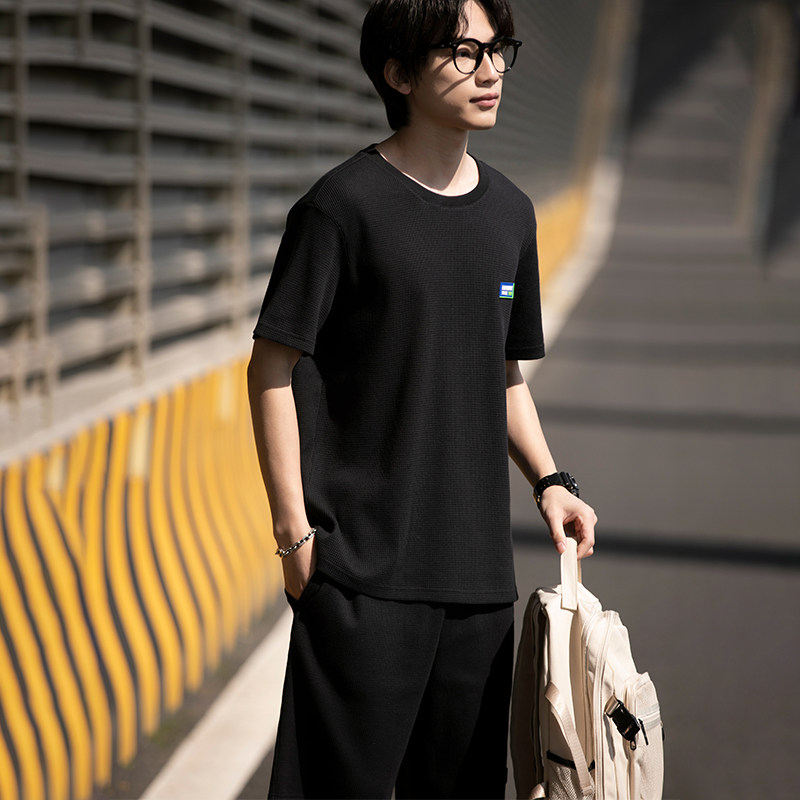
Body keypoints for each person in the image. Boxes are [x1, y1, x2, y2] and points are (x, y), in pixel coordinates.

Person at [247, 0, 597, 797]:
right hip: (362, 578)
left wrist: (549, 481)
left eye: (497, 49)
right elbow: (271, 367)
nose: (490, 69)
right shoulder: (340, 208)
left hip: (478, 587)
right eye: (463, 51)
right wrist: (295, 538)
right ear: (398, 73)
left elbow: (501, 372)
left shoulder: (511, 214)